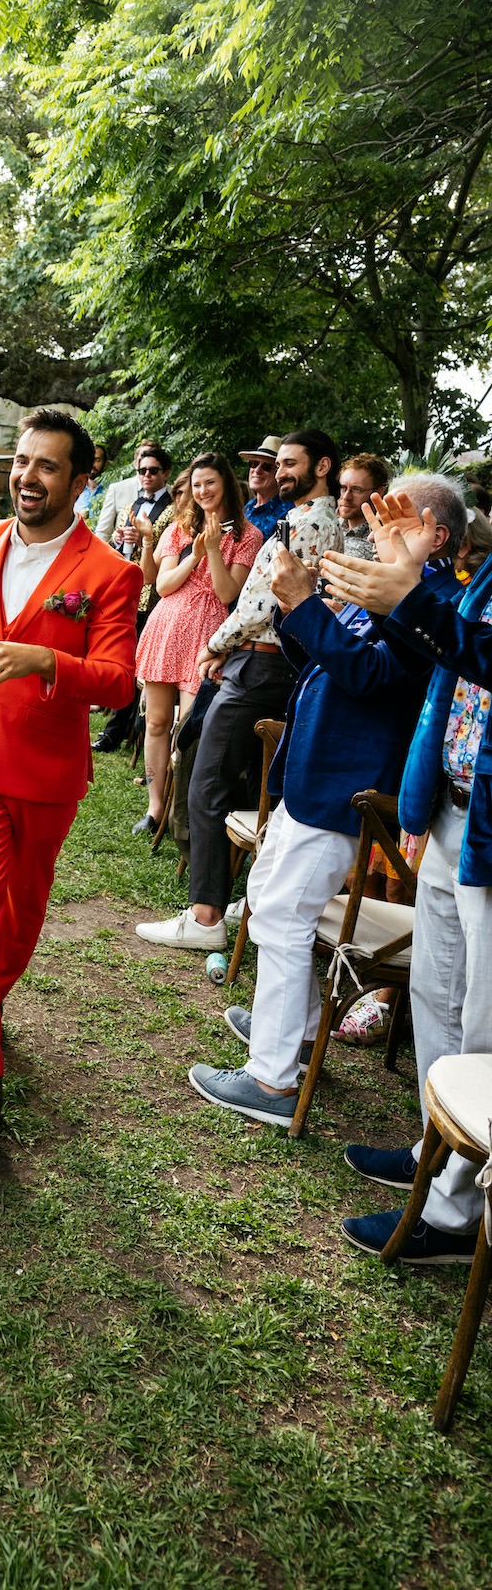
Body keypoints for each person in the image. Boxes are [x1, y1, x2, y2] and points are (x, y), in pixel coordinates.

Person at [188, 473, 466, 1126]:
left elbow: (371, 676)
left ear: (438, 536)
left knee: (284, 916)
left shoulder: (432, 604)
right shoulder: (383, 583)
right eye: (377, 519)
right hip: (312, 768)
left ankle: (274, 1079)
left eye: (396, 519)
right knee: (268, 891)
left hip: (347, 778)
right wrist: (295, 606)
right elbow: (323, 654)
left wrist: (307, 604)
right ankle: (300, 1028)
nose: (377, 531)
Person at [0, 410, 143, 1134]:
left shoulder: (112, 573)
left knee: (19, 920)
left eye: (46, 465)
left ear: (81, 481)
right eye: (21, 461)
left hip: (46, 767)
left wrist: (48, 660)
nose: (26, 476)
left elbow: (119, 682)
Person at [320, 492, 492, 1264]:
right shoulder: (483, 572)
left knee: (484, 1027)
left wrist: (413, 598)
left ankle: (457, 1214)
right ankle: (438, 1148)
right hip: (454, 810)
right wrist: (406, 572)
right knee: (436, 994)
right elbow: (454, 655)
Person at [138, 429, 345, 949]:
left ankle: (205, 917)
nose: (281, 472)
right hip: (260, 662)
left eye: (291, 464)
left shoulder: (311, 523)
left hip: (260, 664)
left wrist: (217, 641)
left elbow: (263, 601)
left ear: (322, 467)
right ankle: (237, 897)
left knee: (207, 784)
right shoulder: (302, 519)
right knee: (234, 780)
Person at [132, 453, 262, 834]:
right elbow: (162, 585)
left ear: (226, 485)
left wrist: (215, 552)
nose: (203, 491)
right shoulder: (178, 527)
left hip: (208, 631)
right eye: (197, 484)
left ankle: (181, 813)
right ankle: (155, 806)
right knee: (156, 722)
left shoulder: (248, 536)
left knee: (190, 730)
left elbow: (227, 593)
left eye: (211, 483)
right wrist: (196, 553)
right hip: (168, 624)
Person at [90, 444, 173, 754]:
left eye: (153, 471)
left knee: (138, 666)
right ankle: (118, 729)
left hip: (152, 598)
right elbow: (114, 542)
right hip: (125, 591)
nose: (147, 476)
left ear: (165, 473)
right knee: (122, 658)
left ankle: (117, 734)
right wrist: (118, 538)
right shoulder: (133, 503)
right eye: (142, 471)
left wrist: (147, 540)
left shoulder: (174, 509)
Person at [94, 439, 160, 544]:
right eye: (142, 459)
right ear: (135, 464)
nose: (146, 464)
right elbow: (102, 533)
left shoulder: (171, 493)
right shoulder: (117, 490)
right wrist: (116, 540)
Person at [239, 436, 293, 540]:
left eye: (266, 466)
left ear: (279, 473)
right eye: (254, 464)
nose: (257, 470)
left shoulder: (287, 512)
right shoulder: (249, 506)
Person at [337, 452, 390, 559]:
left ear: (378, 492)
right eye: (343, 488)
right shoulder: (332, 526)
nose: (346, 496)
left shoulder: (381, 541)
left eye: (356, 489)